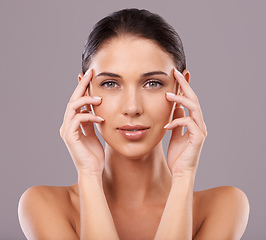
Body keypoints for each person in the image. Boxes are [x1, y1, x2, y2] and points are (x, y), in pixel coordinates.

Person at [18, 8, 249, 240]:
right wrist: (88, 174)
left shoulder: (223, 206)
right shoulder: (44, 205)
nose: (132, 107)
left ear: (181, 88)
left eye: (152, 83)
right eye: (110, 83)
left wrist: (184, 176)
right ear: (85, 90)